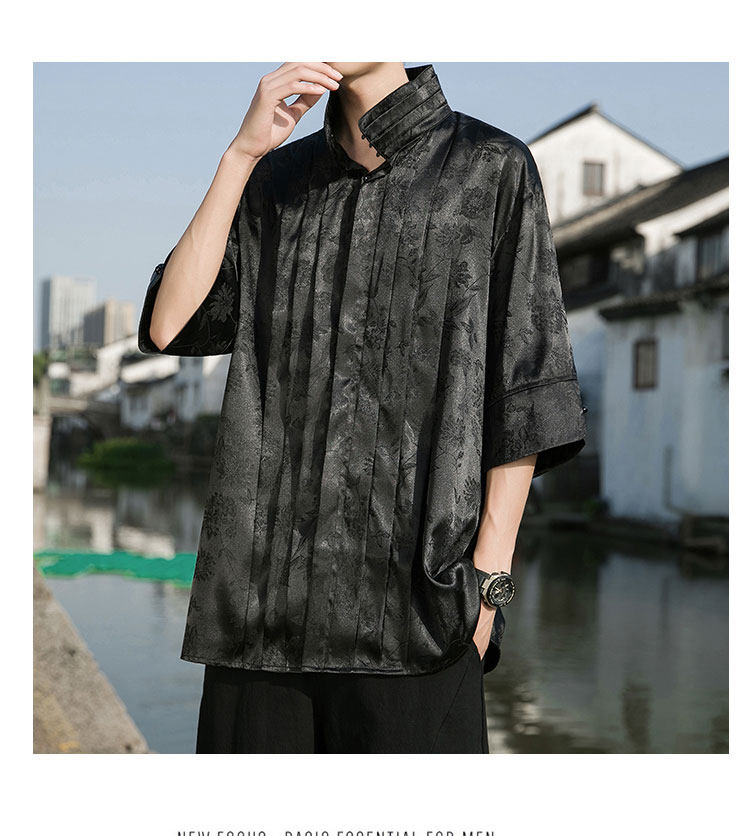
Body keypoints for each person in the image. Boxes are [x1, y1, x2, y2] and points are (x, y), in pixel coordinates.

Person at [138, 62, 587, 753]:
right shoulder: (274, 180)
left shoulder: (491, 167)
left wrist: (488, 584)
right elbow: (171, 324)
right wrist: (240, 156)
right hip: (260, 614)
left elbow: (526, 382)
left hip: (418, 614)